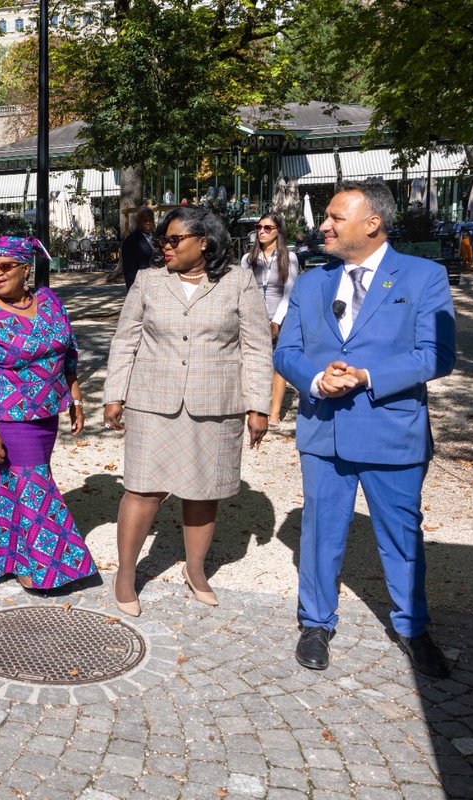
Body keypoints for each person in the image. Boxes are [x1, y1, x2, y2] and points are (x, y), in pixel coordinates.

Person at [273, 179, 456, 677]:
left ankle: (414, 629)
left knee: (400, 535)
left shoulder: (424, 276)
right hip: (323, 430)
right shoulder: (311, 281)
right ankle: (315, 623)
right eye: (326, 217)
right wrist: (315, 378)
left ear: (372, 223)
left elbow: (437, 355)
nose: (322, 225)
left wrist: (366, 377)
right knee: (319, 532)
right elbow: (285, 352)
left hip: (391, 430)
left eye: (334, 217)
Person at [103, 206, 272, 617]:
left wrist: (258, 406)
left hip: (214, 403)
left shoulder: (238, 281)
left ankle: (195, 570)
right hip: (152, 401)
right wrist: (114, 394)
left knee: (203, 491)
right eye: (163, 239)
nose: (165, 245)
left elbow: (256, 346)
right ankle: (126, 573)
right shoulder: (148, 280)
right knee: (142, 488)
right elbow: (125, 340)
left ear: (205, 242)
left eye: (174, 239)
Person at [0, 236, 96, 591]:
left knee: (13, 483)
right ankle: (46, 568)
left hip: (47, 414)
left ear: (25, 267)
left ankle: (0, 552)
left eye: (5, 267)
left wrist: (75, 400)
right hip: (12, 419)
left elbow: (68, 353)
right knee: (34, 486)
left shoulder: (49, 301)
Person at [242, 213, 300, 421]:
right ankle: (253, 407)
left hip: (279, 316)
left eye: (268, 228)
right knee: (251, 361)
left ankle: (274, 412)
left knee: (279, 363)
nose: (262, 231)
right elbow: (243, 290)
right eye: (259, 227)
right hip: (253, 317)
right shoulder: (248, 259)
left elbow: (289, 291)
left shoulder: (289, 258)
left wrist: (276, 321)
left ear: (278, 231)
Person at [121, 206, 155, 291]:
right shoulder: (130, 241)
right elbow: (129, 271)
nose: (148, 223)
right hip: (142, 285)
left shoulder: (157, 237)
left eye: (150, 220)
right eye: (145, 221)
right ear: (139, 222)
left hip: (158, 284)